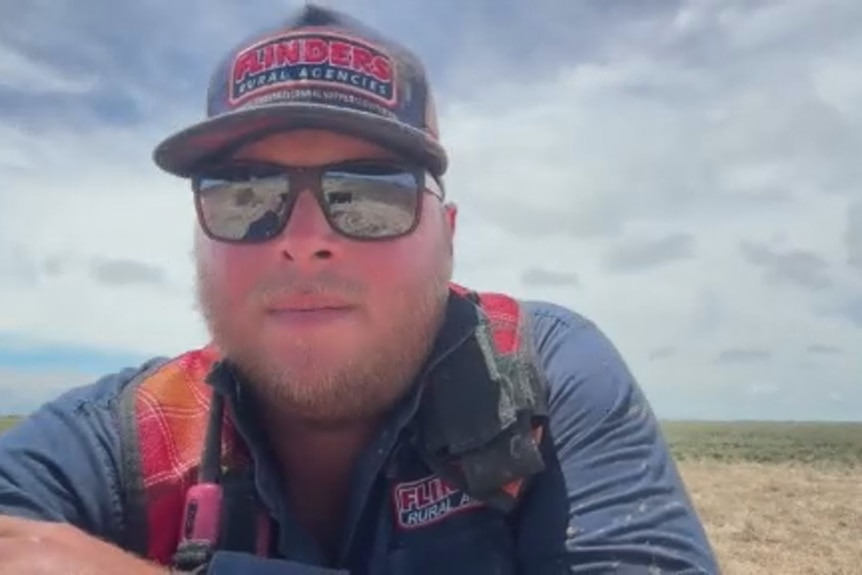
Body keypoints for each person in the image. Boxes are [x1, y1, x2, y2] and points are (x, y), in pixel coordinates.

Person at [0, 4, 720, 574]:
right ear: (200, 237)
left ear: (449, 235)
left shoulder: (541, 379)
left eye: (368, 193)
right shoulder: (125, 441)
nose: (304, 235)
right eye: (244, 195)